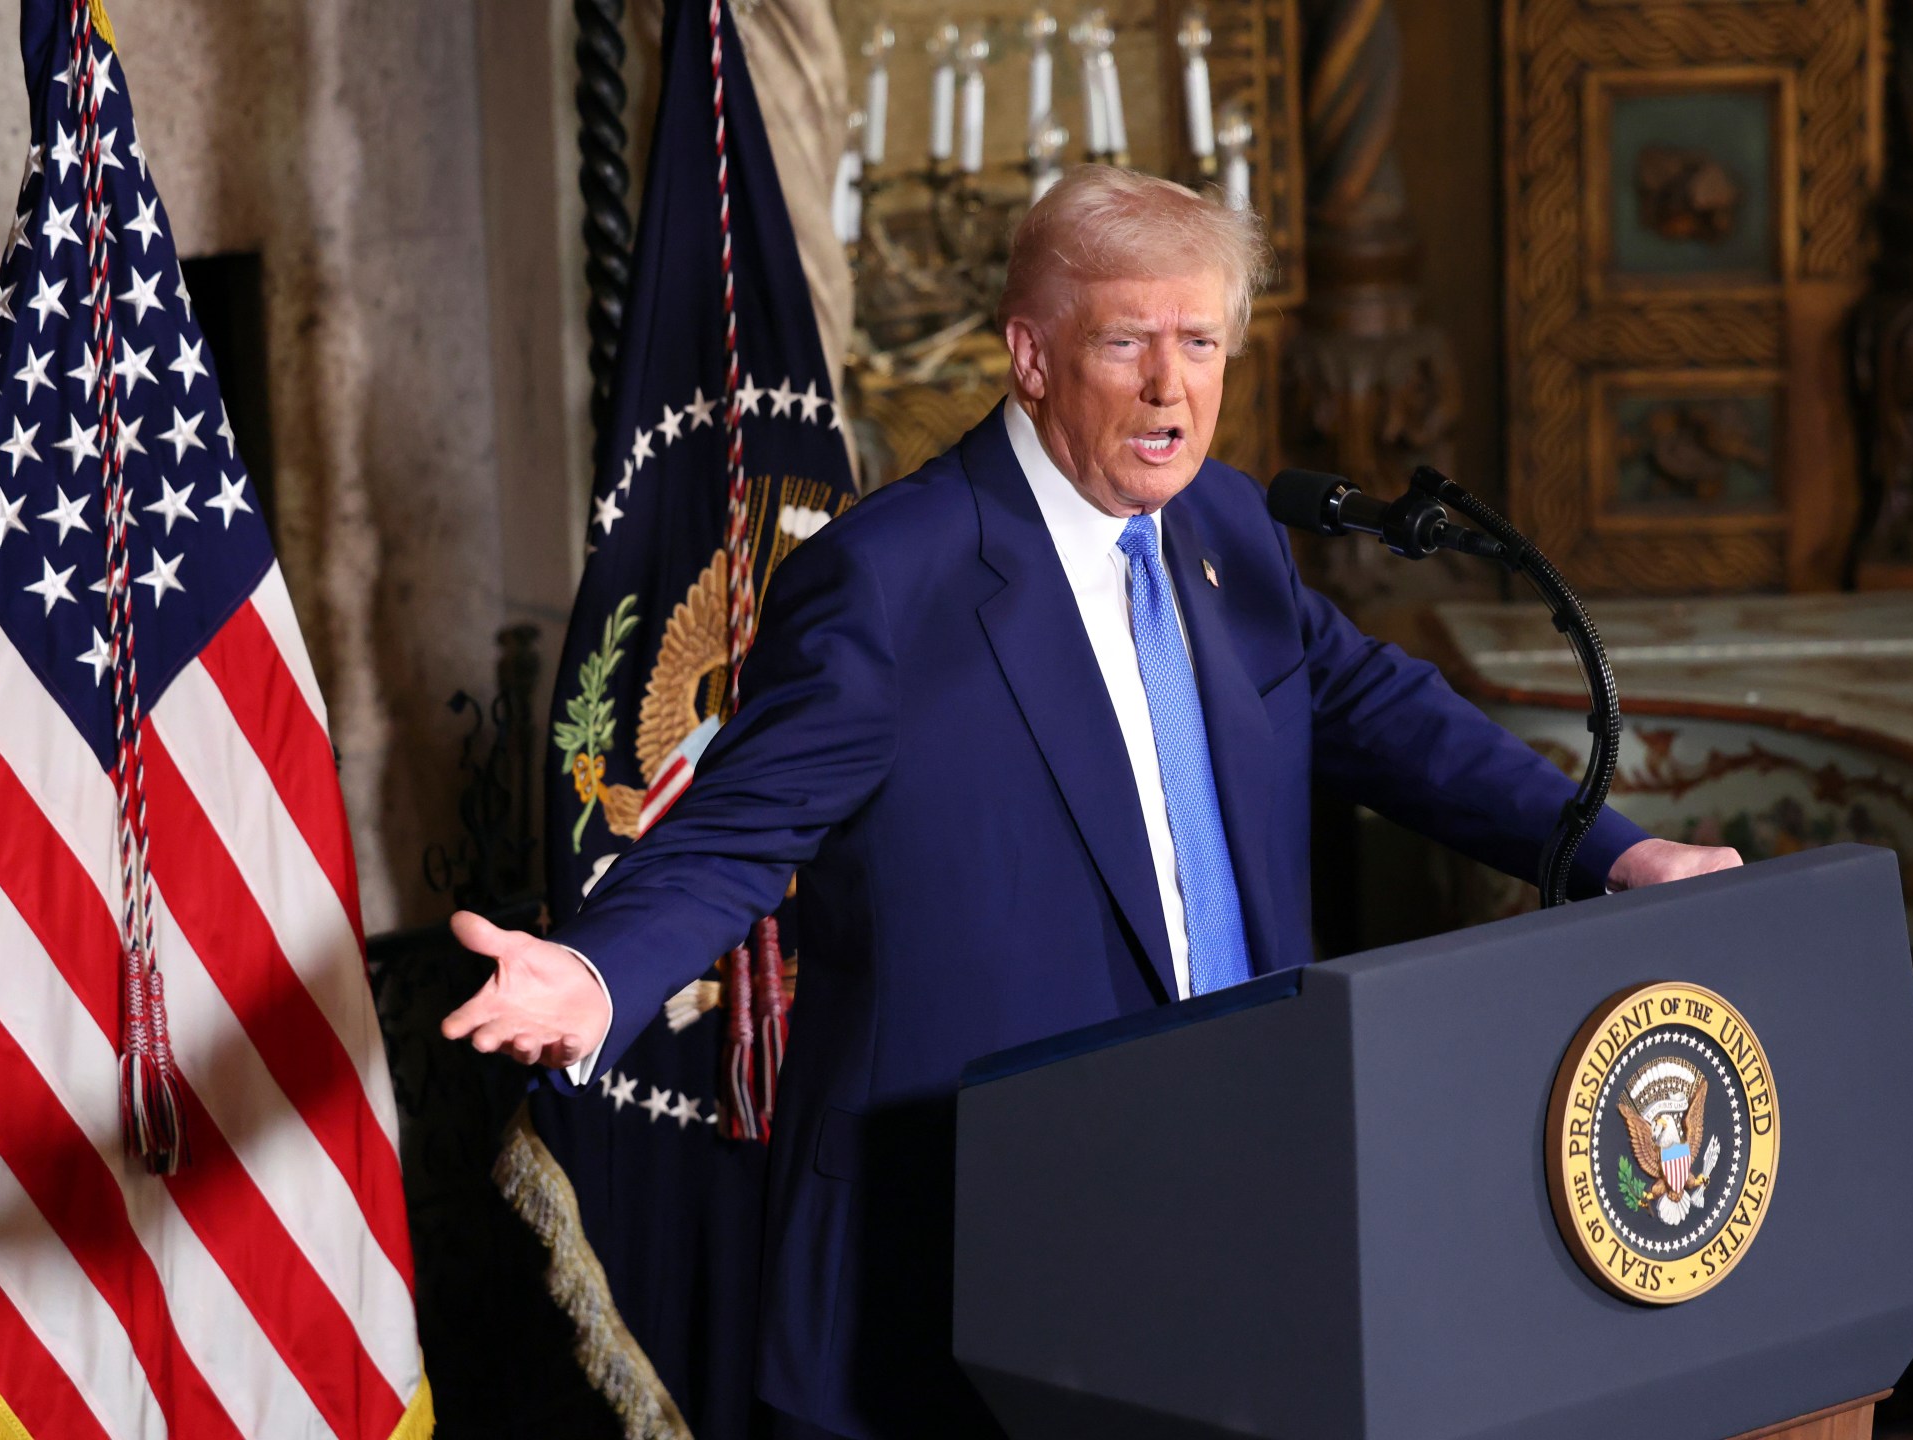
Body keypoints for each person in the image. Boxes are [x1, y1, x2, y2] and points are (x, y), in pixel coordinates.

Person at [444, 166, 1740, 1439]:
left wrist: (1617, 857)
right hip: (966, 1250)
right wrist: (598, 976)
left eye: (1202, 342)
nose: (1174, 387)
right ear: (1032, 353)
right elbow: (737, 835)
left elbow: (1380, 712)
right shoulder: (893, 581)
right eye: (1127, 342)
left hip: (1236, 1201)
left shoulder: (1229, 530)